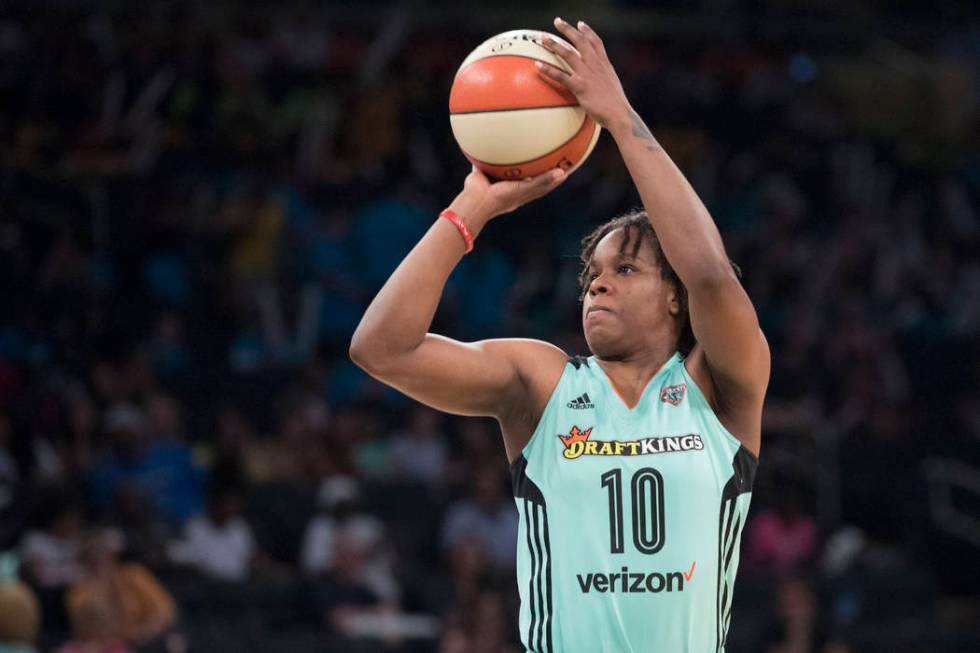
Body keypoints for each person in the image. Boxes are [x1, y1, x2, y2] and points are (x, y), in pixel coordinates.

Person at [350, 17, 769, 653]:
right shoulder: (542, 382)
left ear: (675, 297)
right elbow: (380, 349)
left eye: (624, 269)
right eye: (591, 276)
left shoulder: (719, 391)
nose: (596, 287)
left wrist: (620, 117)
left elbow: (711, 271)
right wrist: (471, 210)